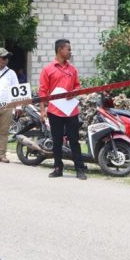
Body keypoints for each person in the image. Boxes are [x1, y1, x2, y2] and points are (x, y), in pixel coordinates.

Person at [38, 39, 87, 180]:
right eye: (69, 49)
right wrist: (43, 111)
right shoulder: (48, 69)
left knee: (74, 140)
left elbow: (78, 86)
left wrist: (75, 91)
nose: (70, 52)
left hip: (71, 111)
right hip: (55, 111)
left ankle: (80, 169)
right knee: (57, 141)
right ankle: (58, 168)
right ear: (60, 50)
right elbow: (43, 92)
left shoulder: (73, 69)